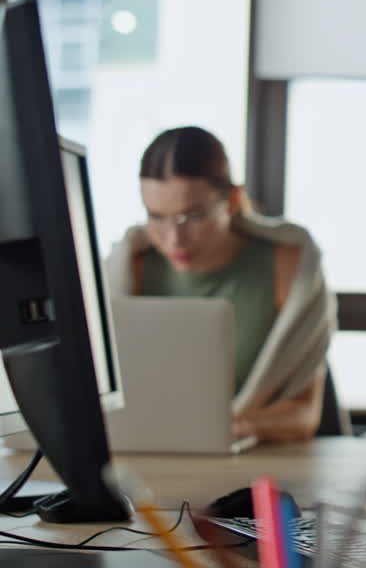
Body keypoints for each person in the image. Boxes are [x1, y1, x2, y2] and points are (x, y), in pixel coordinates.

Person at [105, 126, 341, 443]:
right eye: (156, 216)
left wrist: (228, 429)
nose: (174, 238)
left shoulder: (291, 268)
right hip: (147, 451)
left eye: (192, 216)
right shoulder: (126, 271)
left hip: (254, 458)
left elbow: (304, 415)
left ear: (232, 200)